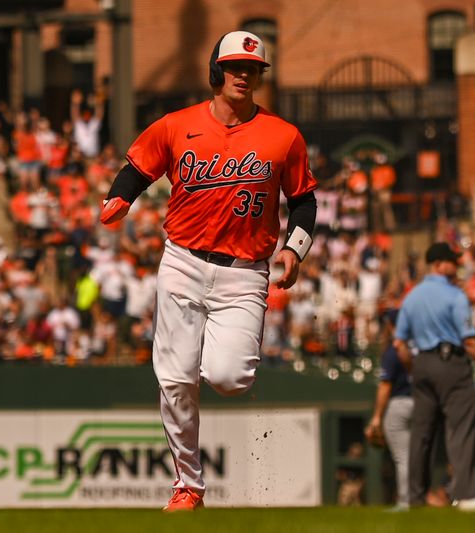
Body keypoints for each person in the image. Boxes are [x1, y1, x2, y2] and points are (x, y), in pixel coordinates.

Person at [99, 30, 317, 512]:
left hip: (245, 271)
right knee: (174, 379)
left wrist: (295, 250)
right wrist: (121, 195)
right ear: (217, 71)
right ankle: (188, 488)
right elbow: (140, 164)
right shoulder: (178, 125)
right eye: (235, 66)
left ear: (260, 75)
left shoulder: (283, 135)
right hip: (183, 260)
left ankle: (190, 361)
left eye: (252, 69)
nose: (244, 75)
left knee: (229, 377)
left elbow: (303, 200)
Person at [394, 242, 475, 507]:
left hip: (423, 364)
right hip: (452, 364)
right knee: (460, 434)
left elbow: (399, 345)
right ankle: (466, 499)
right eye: (452, 261)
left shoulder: (412, 296)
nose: (456, 265)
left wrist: (412, 370)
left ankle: (415, 499)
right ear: (438, 263)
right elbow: (470, 341)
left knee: (421, 435)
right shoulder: (454, 295)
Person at [364, 309, 413, 510]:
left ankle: (405, 501)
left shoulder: (394, 349)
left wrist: (376, 417)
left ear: (391, 326)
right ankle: (415, 498)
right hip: (421, 402)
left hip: (399, 403)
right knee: (416, 456)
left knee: (403, 457)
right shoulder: (416, 346)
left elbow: (385, 386)